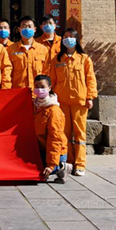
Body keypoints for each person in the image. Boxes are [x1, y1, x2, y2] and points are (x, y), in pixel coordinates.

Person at [49, 28, 97, 177]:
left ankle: (80, 164)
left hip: (79, 101)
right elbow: (52, 81)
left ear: (76, 40)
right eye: (65, 36)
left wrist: (90, 97)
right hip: (62, 101)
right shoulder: (57, 60)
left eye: (71, 36)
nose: (68, 39)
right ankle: (68, 161)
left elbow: (90, 79)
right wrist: (52, 98)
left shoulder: (84, 59)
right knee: (64, 133)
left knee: (80, 133)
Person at [33, 74, 72, 183]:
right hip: (41, 148)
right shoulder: (35, 106)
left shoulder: (54, 111)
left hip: (56, 150)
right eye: (36, 86)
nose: (39, 89)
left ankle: (61, 167)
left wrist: (50, 165)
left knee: (43, 172)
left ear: (49, 88)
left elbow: (55, 139)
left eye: (42, 87)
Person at [7, 16, 49, 89]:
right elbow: (7, 72)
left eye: (29, 26)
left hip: (38, 91)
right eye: (24, 26)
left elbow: (47, 72)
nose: (27, 29)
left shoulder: (43, 49)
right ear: (19, 30)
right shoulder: (11, 49)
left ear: (34, 29)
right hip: (18, 91)